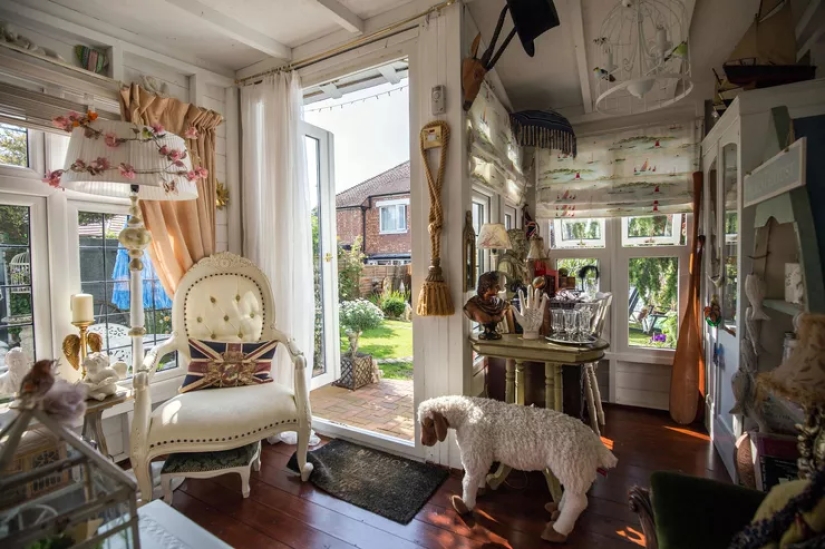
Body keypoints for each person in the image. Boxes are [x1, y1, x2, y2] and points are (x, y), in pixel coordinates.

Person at [464, 271, 510, 340]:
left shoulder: (501, 303)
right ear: (486, 287)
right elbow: (486, 318)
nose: (499, 289)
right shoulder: (471, 306)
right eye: (496, 286)